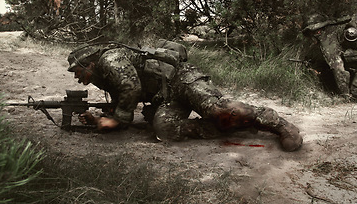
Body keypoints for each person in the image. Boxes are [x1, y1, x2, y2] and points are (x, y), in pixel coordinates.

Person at [67, 40, 303, 152]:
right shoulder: (104, 74)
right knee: (164, 129)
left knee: (216, 109)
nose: (77, 78)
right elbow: (123, 102)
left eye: (77, 71)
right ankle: (231, 126)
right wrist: (99, 120)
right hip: (166, 96)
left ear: (88, 63)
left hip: (181, 79)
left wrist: (116, 119)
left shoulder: (109, 60)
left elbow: (131, 88)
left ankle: (275, 122)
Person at [303, 14, 357, 98]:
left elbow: (338, 69)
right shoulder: (339, 26)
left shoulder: (327, 39)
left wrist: (345, 94)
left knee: (354, 91)